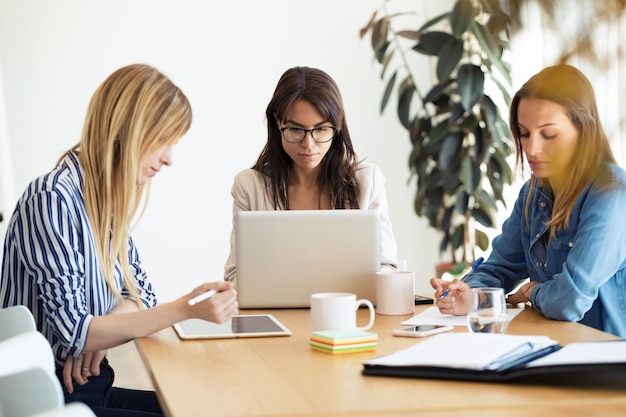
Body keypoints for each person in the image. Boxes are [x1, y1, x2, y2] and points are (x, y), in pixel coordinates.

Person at [0, 64, 239, 416]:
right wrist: (185, 308)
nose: (170, 158)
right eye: (164, 140)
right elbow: (76, 333)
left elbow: (141, 295)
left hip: (88, 385)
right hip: (49, 399)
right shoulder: (52, 198)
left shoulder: (104, 203)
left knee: (207, 405)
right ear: (129, 130)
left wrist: (105, 331)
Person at [430, 64, 626, 339]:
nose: (532, 149)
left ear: (582, 130)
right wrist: (472, 295)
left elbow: (569, 300)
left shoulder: (612, 191)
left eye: (548, 134)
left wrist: (530, 291)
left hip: (604, 359)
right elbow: (499, 267)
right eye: (524, 133)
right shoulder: (532, 193)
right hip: (548, 346)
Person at [224, 66, 398, 282]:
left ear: (336, 128)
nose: (308, 144)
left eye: (321, 129)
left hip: (350, 312)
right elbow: (235, 276)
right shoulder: (248, 186)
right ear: (278, 123)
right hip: (275, 313)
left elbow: (387, 266)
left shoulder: (367, 181)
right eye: (296, 130)